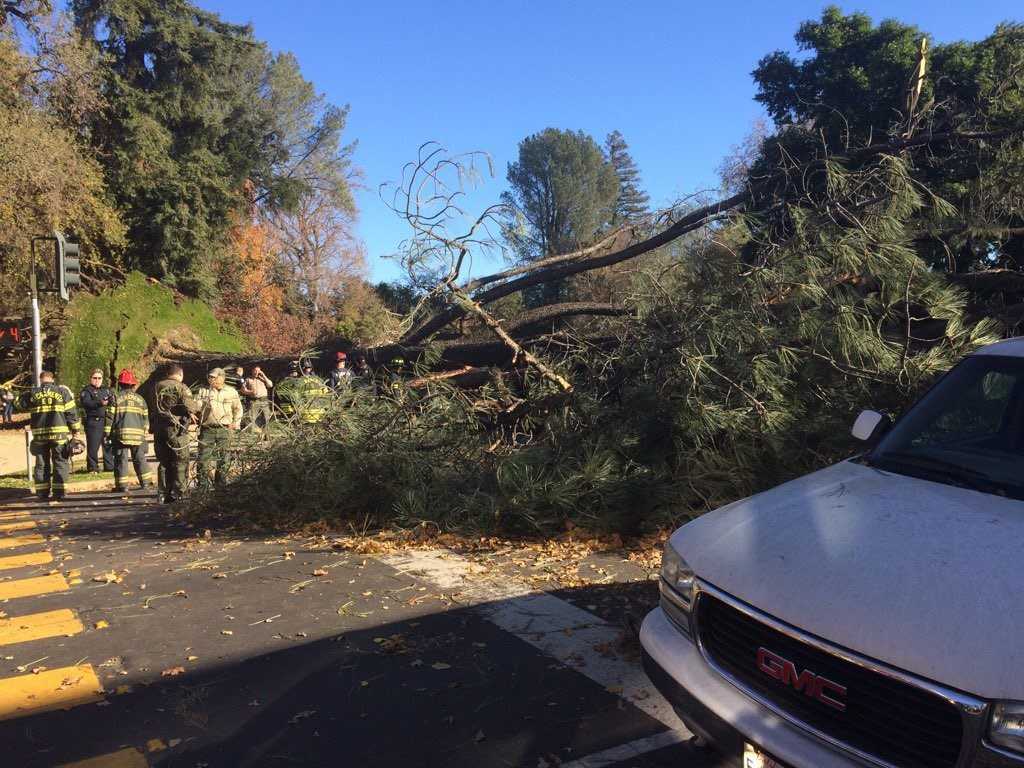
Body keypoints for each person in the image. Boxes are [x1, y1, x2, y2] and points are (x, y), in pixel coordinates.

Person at [21, 371, 82, 501]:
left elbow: (18, 404)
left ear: (40, 379)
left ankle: (42, 492)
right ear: (52, 379)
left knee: (41, 464)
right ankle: (59, 493)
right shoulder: (62, 392)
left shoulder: (33, 393)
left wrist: (28, 394)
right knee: (60, 461)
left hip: (40, 436)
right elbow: (71, 413)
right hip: (58, 435)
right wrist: (76, 430)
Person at [152, 363, 202, 503]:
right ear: (180, 374)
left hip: (159, 427)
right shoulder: (181, 387)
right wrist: (197, 407)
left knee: (164, 461)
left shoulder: (156, 386)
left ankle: (163, 493)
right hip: (176, 429)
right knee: (181, 460)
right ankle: (180, 492)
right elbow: (189, 405)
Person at [105, 369, 154, 492]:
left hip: (121, 434)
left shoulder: (116, 398)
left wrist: (107, 433)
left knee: (121, 459)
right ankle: (146, 483)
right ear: (133, 385)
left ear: (120, 384)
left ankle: (122, 486)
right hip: (138, 435)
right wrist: (144, 433)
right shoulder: (141, 399)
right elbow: (145, 419)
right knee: (140, 458)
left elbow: (110, 417)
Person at [196, 368, 242, 489]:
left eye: (213, 377)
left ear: (222, 377)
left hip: (225, 429)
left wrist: (235, 423)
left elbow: (238, 409)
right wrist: (203, 402)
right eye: (209, 377)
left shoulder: (231, 391)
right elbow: (197, 407)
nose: (210, 379)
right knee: (203, 458)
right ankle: (203, 487)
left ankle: (220, 485)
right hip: (207, 429)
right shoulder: (203, 391)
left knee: (224, 458)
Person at [80, 369, 114, 472]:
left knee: (108, 444)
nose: (97, 380)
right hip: (93, 421)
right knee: (93, 446)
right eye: (95, 378)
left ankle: (109, 467)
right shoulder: (87, 390)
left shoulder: (106, 390)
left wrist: (111, 401)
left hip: (106, 421)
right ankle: (93, 468)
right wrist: (100, 403)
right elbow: (86, 403)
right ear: (90, 378)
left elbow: (112, 400)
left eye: (99, 378)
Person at [240, 365, 273, 432]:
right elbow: (243, 390)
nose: (256, 372)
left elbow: (270, 385)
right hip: (254, 401)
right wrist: (249, 392)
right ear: (252, 371)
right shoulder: (248, 379)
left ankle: (266, 431)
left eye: (258, 371)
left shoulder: (263, 379)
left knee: (266, 416)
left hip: (264, 400)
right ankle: (254, 432)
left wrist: (263, 375)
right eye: (255, 370)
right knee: (252, 417)